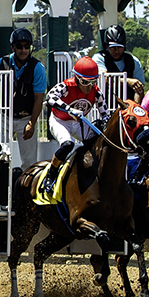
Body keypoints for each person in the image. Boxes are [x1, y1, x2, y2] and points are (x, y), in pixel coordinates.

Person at [40, 57, 109, 197]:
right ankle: (51, 174)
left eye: (93, 82)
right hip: (59, 120)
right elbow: (49, 97)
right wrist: (68, 109)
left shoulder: (96, 92)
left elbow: (105, 115)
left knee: (97, 143)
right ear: (76, 78)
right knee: (67, 144)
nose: (88, 87)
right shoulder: (65, 86)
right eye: (85, 82)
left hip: (78, 123)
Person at [0, 27, 47, 167]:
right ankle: (2, 186)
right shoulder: (0, 64)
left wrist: (32, 123)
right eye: (19, 46)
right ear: (13, 47)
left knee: (29, 161)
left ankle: (26, 188)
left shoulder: (38, 67)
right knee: (1, 155)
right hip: (4, 116)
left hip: (26, 118)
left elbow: (38, 98)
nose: (23, 50)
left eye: (27, 46)